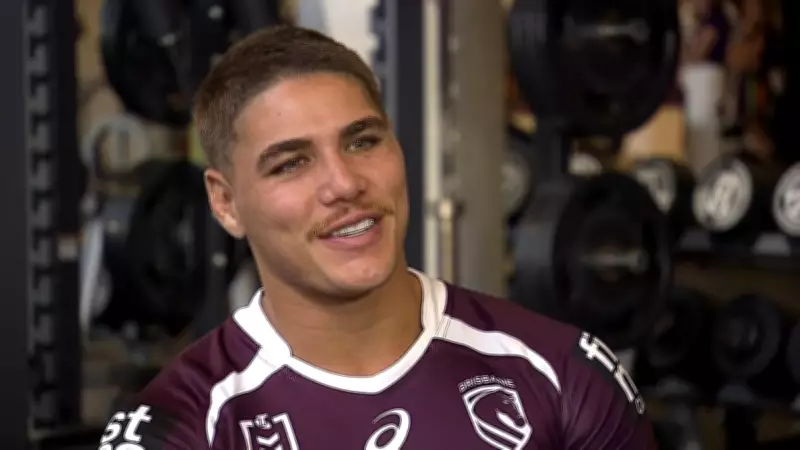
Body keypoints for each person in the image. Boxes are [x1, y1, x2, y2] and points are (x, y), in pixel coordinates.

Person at [97, 25, 656, 450]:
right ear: (226, 203)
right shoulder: (184, 427)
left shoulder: (561, 376)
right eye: (291, 164)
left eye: (362, 142)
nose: (344, 184)